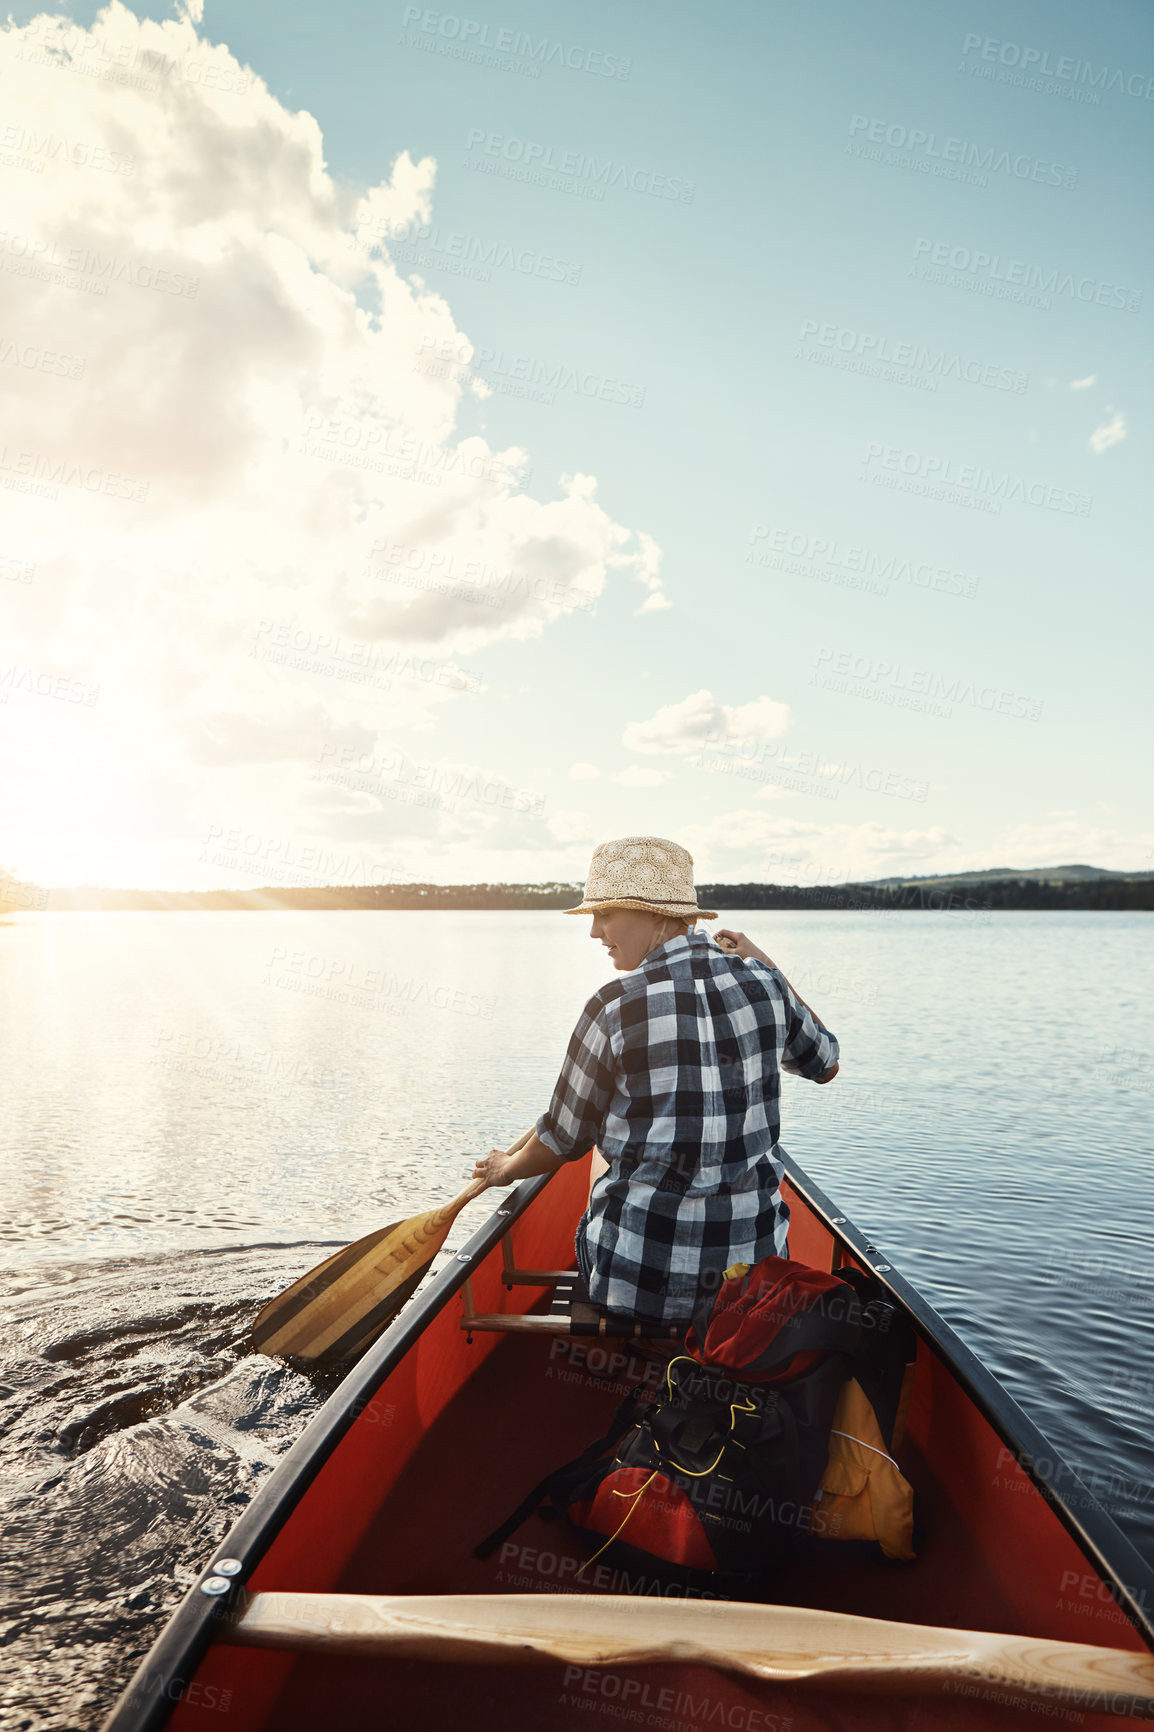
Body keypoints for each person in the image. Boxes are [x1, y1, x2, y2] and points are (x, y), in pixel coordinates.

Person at [471, 835, 839, 1329]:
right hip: (750, 1280)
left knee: (603, 1156)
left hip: (639, 1282)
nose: (595, 932)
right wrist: (767, 964)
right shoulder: (764, 982)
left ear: (653, 915)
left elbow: (562, 1140)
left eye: (605, 914)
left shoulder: (613, 1004)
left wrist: (505, 1168)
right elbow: (825, 1062)